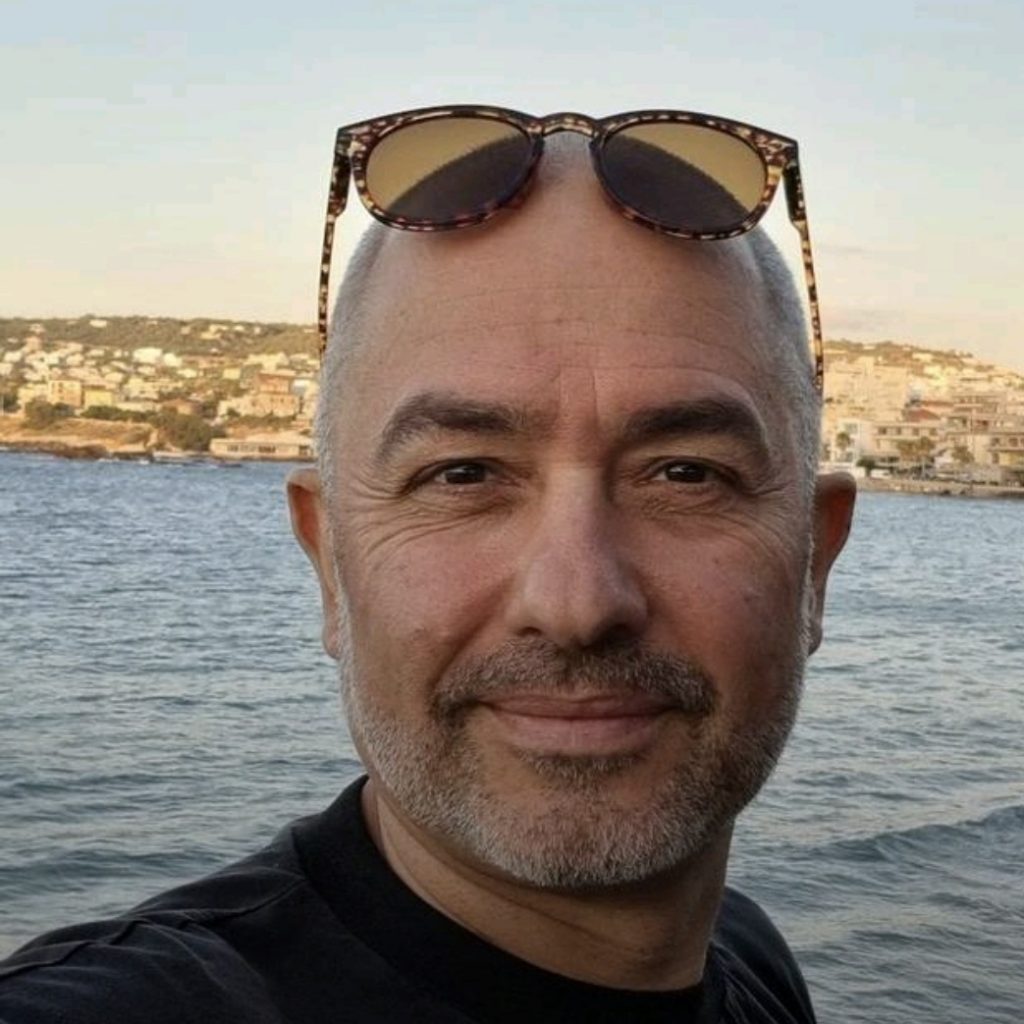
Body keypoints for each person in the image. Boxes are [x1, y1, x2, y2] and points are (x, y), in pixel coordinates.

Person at [0, 112, 855, 1023]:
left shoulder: (748, 959)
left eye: (686, 474)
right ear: (330, 564)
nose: (576, 602)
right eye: (463, 475)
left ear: (815, 564)